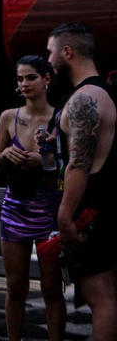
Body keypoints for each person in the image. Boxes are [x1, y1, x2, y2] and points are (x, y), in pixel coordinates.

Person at [47, 23, 117, 339]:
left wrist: (64, 215)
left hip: (91, 207)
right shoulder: (107, 91)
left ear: (67, 52)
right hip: (105, 202)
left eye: (50, 52)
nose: (48, 60)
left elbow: (79, 164)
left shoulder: (84, 99)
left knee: (100, 297)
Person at [0, 56, 65, 341]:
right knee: (15, 287)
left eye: (31, 77)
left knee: (51, 288)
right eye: (20, 79)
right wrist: (5, 156)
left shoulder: (61, 117)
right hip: (15, 209)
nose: (24, 84)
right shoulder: (9, 117)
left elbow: (70, 165)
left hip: (48, 210)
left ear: (46, 79)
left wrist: (44, 159)